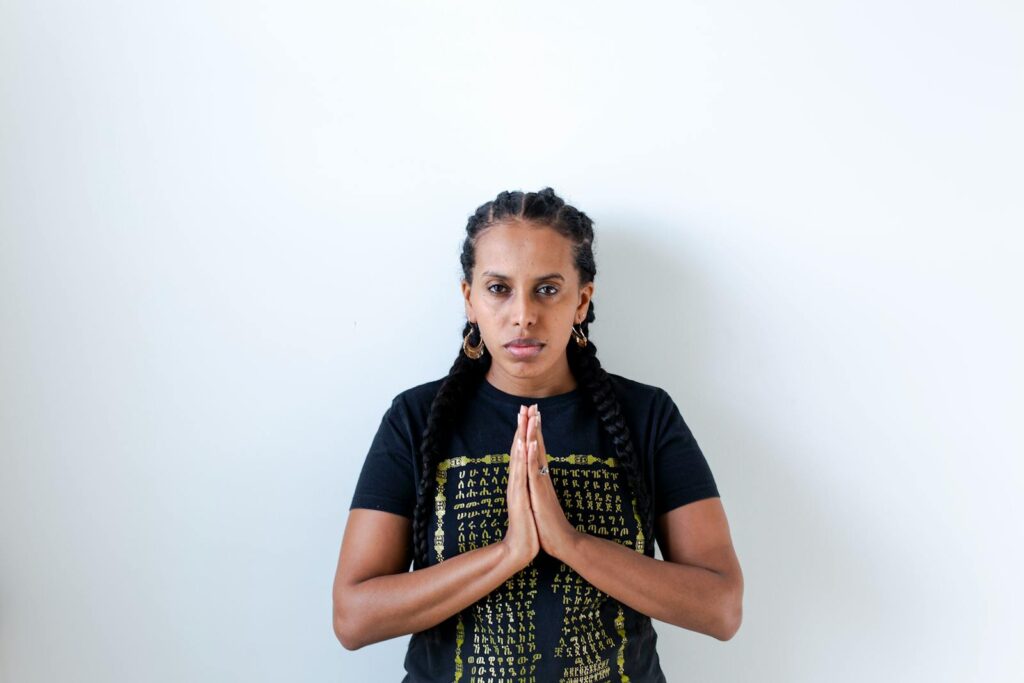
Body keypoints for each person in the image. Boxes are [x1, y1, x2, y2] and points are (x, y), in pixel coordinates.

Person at [332, 187, 743, 682]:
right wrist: (509, 553)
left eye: (547, 289)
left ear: (581, 300)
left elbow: (720, 609)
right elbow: (353, 618)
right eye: (498, 288)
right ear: (469, 299)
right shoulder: (414, 418)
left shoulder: (647, 415)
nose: (523, 314)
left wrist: (569, 543)